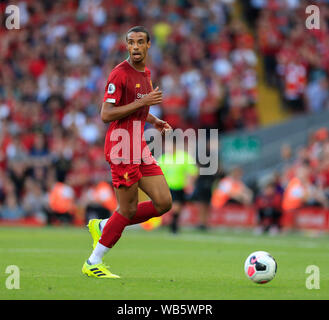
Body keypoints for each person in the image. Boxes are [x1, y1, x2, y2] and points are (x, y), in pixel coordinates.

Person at [82, 26, 173, 279]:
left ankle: (103, 226)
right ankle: (93, 261)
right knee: (127, 209)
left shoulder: (146, 73)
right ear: (127, 46)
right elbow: (106, 114)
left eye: (140, 42)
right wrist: (143, 103)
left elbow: (135, 106)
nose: (135, 46)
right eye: (130, 42)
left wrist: (153, 120)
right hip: (122, 148)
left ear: (148, 45)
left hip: (139, 145)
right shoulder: (119, 74)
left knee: (164, 203)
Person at [157, 139, 198, 234]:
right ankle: (172, 225)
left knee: (178, 207)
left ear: (175, 146)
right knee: (173, 206)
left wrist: (189, 184)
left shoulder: (184, 157)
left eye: (170, 146)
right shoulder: (163, 158)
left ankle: (173, 224)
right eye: (166, 146)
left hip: (180, 187)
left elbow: (193, 172)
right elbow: (157, 173)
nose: (168, 148)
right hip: (167, 187)